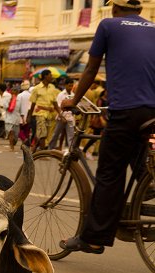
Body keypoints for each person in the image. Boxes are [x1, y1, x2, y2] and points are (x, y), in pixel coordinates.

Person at [60, 0, 155, 254]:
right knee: (142, 162)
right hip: (151, 111)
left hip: (125, 112)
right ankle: (145, 190)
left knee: (109, 173)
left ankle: (94, 238)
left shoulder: (108, 25)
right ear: (140, 11)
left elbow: (91, 69)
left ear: (114, 8)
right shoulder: (153, 28)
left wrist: (73, 101)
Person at [27, 70, 61, 152]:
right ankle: (42, 152)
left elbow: (55, 102)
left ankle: (34, 149)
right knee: (43, 133)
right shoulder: (37, 88)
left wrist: (60, 113)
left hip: (49, 114)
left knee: (43, 135)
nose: (51, 77)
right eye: (50, 75)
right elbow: (32, 103)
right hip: (40, 113)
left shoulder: (52, 88)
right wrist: (29, 116)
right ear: (45, 76)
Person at [47, 77, 75, 150]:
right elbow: (58, 107)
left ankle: (71, 151)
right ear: (65, 85)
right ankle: (50, 148)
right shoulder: (61, 94)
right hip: (61, 117)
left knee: (71, 136)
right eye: (69, 85)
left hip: (70, 117)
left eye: (72, 86)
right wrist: (62, 117)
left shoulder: (73, 94)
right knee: (56, 134)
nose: (71, 87)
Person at [4, 85, 21, 151]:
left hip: (16, 119)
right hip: (9, 119)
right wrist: (10, 104)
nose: (14, 92)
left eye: (16, 91)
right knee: (11, 133)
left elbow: (21, 110)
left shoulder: (19, 100)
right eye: (13, 90)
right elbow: (5, 106)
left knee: (16, 135)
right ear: (11, 92)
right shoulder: (7, 99)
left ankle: (13, 144)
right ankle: (11, 147)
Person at [16, 80, 32, 144]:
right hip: (29, 115)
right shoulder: (31, 95)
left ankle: (24, 140)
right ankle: (25, 143)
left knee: (19, 130)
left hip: (21, 115)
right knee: (26, 131)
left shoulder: (20, 95)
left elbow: (18, 106)